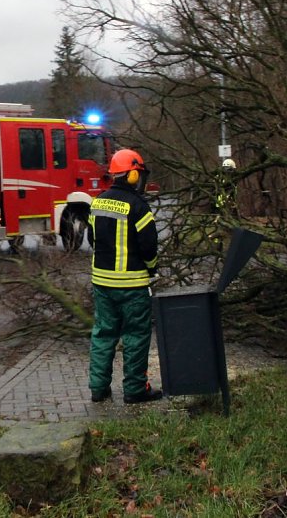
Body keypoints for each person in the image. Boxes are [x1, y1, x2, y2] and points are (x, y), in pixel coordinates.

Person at [87, 148, 163, 404]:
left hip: (102, 283)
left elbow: (92, 238)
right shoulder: (138, 206)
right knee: (135, 335)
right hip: (132, 285)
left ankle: (98, 389)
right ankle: (134, 390)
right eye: (138, 174)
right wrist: (152, 268)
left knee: (103, 334)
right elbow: (149, 247)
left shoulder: (97, 202)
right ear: (131, 175)